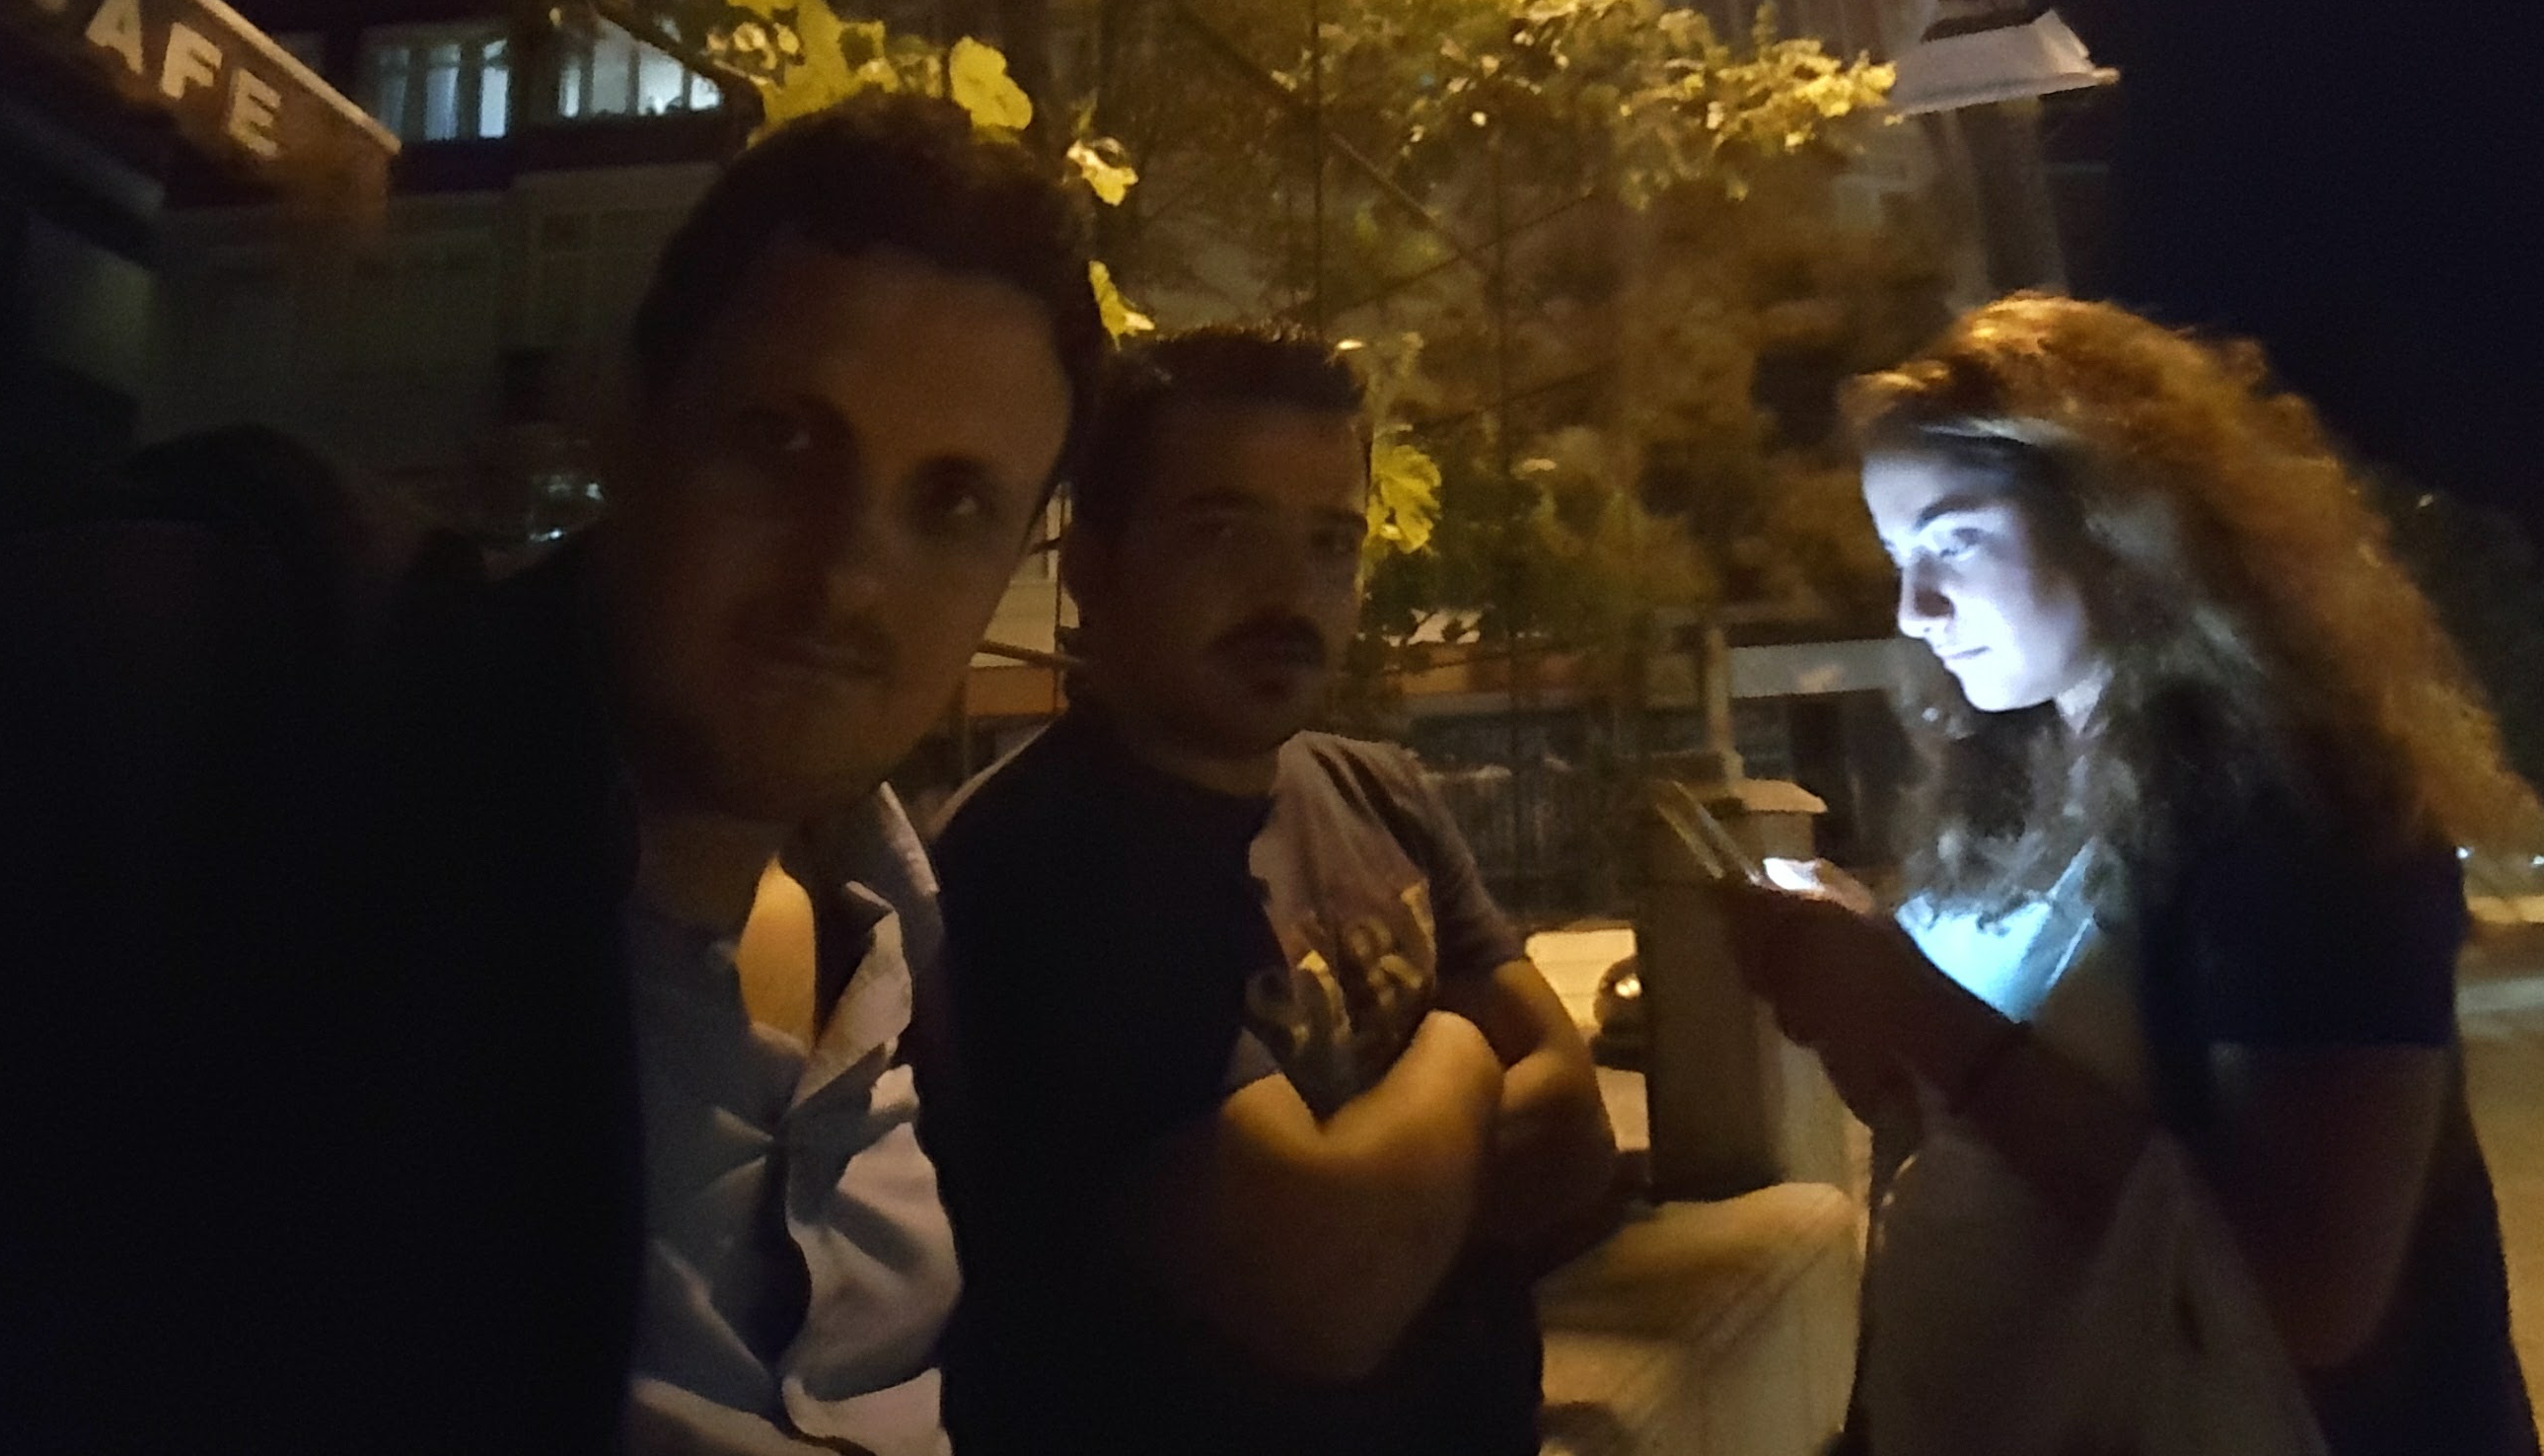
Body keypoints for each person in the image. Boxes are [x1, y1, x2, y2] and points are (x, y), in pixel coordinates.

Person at [0, 95, 1107, 1455]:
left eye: (952, 504)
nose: (848, 577)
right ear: (624, 415)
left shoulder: (917, 961)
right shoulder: (273, 735)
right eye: (783, 441)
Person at [1723, 294, 2539, 1456]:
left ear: (2113, 516)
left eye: (1955, 538)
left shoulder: (2297, 813)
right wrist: (1873, 1016)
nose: (1915, 609)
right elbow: (2013, 1139)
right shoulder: (2018, 788)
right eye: (1899, 558)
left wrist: (1918, 1015)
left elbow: (2306, 1298)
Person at [931, 326, 1617, 1456]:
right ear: (1091, 568)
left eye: (1330, 543)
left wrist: (1387, 1188)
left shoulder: (1378, 791)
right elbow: (1329, 1288)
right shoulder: (1042, 861)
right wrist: (1456, 1045)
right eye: (1221, 531)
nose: (1289, 591)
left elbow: (1577, 1140)